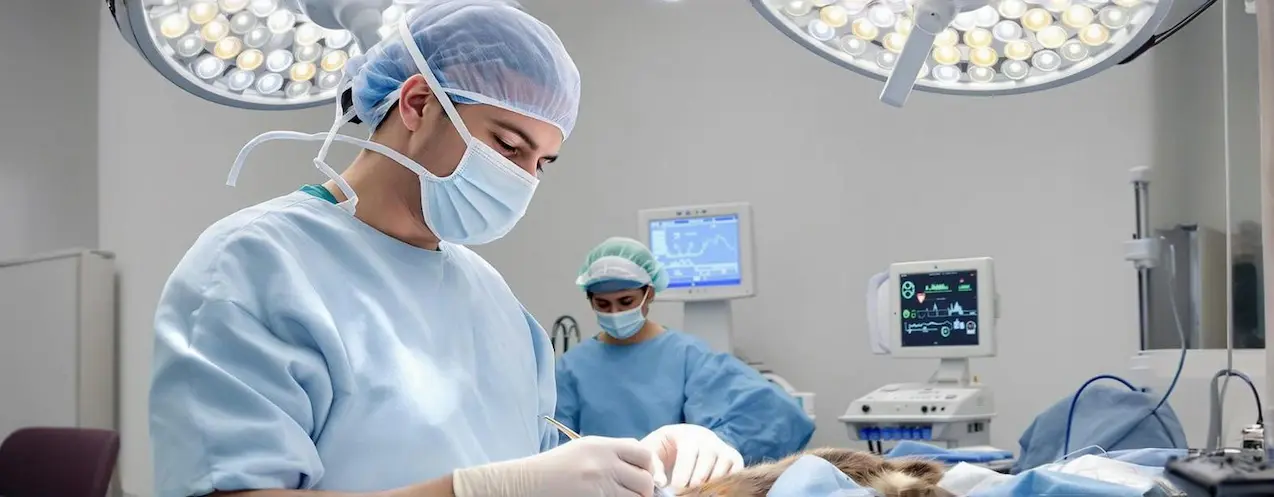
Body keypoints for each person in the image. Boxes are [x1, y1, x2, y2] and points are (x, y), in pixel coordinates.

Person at [149, 2, 737, 497]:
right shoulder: (252, 265)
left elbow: (533, 461)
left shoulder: (495, 302)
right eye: (508, 146)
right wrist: (474, 491)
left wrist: (642, 464)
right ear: (417, 104)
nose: (525, 179)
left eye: (541, 163)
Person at [555, 237, 817, 484]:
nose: (615, 313)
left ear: (650, 294)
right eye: (603, 304)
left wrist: (712, 449)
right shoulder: (572, 368)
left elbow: (772, 414)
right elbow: (552, 447)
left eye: (626, 301)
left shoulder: (685, 355)